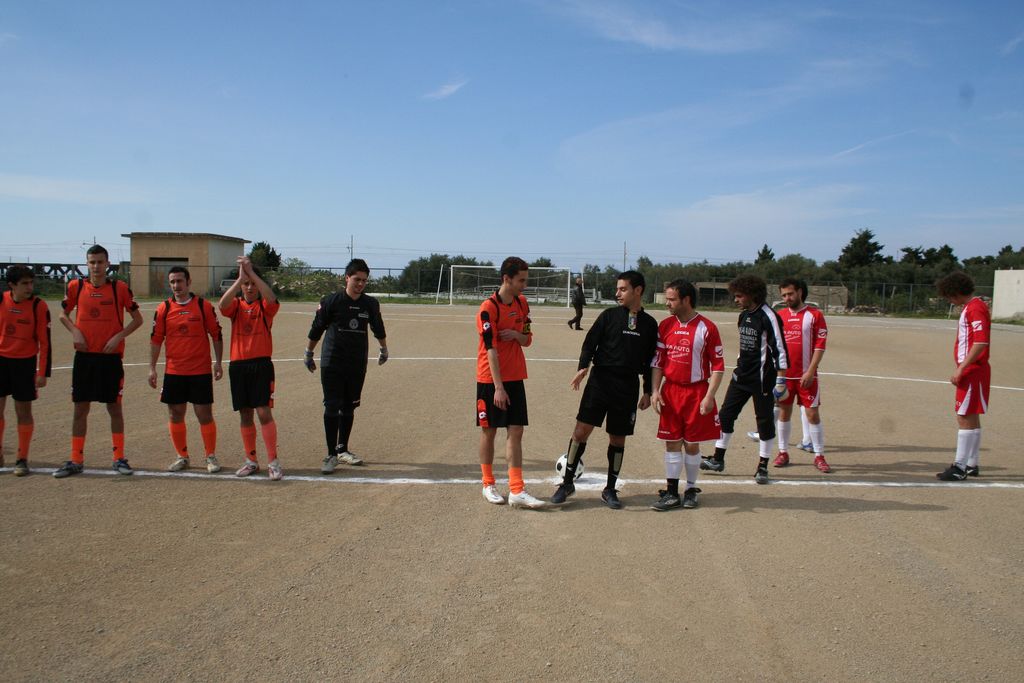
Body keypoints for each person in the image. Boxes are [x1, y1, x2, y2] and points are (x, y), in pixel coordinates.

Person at [551, 270, 658, 509]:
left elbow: (651, 360)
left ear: (638, 290)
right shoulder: (608, 316)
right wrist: (583, 367)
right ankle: (567, 483)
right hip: (600, 381)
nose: (617, 293)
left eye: (623, 289)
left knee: (618, 438)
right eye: (617, 289)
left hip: (627, 386)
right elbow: (590, 343)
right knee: (581, 431)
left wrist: (647, 390)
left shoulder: (650, 324)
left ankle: (610, 489)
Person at [55, 245, 144, 478]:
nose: (96, 266)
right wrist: (75, 331)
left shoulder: (119, 288)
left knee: (114, 408)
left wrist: (118, 337)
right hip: (84, 358)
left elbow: (138, 319)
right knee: (80, 409)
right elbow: (63, 314)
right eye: (92, 262)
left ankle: (119, 458)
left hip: (110, 358)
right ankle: (76, 459)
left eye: (100, 262)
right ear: (87, 264)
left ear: (107, 264)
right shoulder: (76, 287)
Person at [701, 274, 788, 485]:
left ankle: (762, 466)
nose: (736, 300)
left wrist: (781, 379)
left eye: (739, 296)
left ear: (752, 294)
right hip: (741, 377)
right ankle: (718, 459)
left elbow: (779, 348)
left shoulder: (769, 316)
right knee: (725, 415)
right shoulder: (744, 316)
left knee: (764, 421)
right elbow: (745, 346)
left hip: (762, 379)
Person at [474, 257, 545, 508]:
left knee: (516, 430)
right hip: (490, 379)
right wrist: (498, 387)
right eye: (521, 280)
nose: (525, 285)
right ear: (507, 279)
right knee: (489, 430)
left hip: (516, 376)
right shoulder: (488, 308)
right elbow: (490, 349)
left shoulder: (522, 303)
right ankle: (488, 484)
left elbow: (527, 340)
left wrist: (516, 334)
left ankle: (516, 490)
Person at [305, 258, 388, 474]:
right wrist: (309, 353)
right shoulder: (331, 301)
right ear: (347, 278)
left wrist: (383, 349)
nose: (360, 284)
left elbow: (378, 327)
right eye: (356, 279)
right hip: (332, 362)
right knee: (332, 406)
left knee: (349, 406)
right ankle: (331, 454)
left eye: (364, 280)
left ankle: (343, 450)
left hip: (356, 363)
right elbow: (317, 328)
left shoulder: (370, 304)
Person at [649, 279, 724, 510]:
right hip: (671, 392)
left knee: (691, 444)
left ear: (686, 300)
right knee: (671, 442)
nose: (667, 303)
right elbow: (658, 361)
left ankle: (691, 489)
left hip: (696, 392)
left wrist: (709, 396)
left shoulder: (707, 328)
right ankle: (672, 492)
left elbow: (718, 366)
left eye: (671, 299)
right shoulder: (665, 326)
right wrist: (655, 390)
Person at [149, 266, 224, 473]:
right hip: (174, 371)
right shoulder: (163, 309)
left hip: (200, 370)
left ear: (188, 282)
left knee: (204, 414)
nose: (176, 285)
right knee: (175, 414)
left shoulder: (203, 306)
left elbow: (216, 334)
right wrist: (152, 368)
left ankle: (210, 456)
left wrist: (218, 362)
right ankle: (182, 456)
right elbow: (156, 339)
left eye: (180, 281)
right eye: (172, 282)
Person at [218, 257, 282, 480]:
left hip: (261, 365)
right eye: (246, 284)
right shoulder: (236, 306)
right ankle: (251, 460)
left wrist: (252, 274)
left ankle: (273, 461)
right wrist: (240, 279)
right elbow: (222, 305)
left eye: (253, 284)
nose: (250, 288)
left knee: (263, 412)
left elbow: (272, 298)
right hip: (238, 366)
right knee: (245, 414)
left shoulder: (264, 307)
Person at [935, 271, 990, 481]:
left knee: (964, 415)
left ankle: (959, 467)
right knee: (971, 414)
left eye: (949, 296)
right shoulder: (973, 307)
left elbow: (981, 341)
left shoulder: (975, 308)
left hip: (972, 370)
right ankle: (971, 463)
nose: (950, 300)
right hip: (975, 369)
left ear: (955, 293)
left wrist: (962, 368)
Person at [773, 278, 831, 472]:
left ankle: (819, 455)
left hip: (807, 376)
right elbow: (775, 346)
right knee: (784, 413)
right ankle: (783, 452)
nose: (787, 298)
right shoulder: (780, 315)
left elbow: (820, 345)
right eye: (783, 295)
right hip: (785, 376)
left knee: (812, 414)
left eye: (790, 294)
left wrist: (811, 371)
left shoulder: (815, 315)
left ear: (799, 292)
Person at [0, 266, 51, 476]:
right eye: (24, 284)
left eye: (31, 282)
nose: (30, 287)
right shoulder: (1, 301)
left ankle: (22, 459)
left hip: (24, 364)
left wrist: (42, 372)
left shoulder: (39, 305)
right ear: (12, 285)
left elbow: (45, 342)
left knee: (23, 412)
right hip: (1, 361)